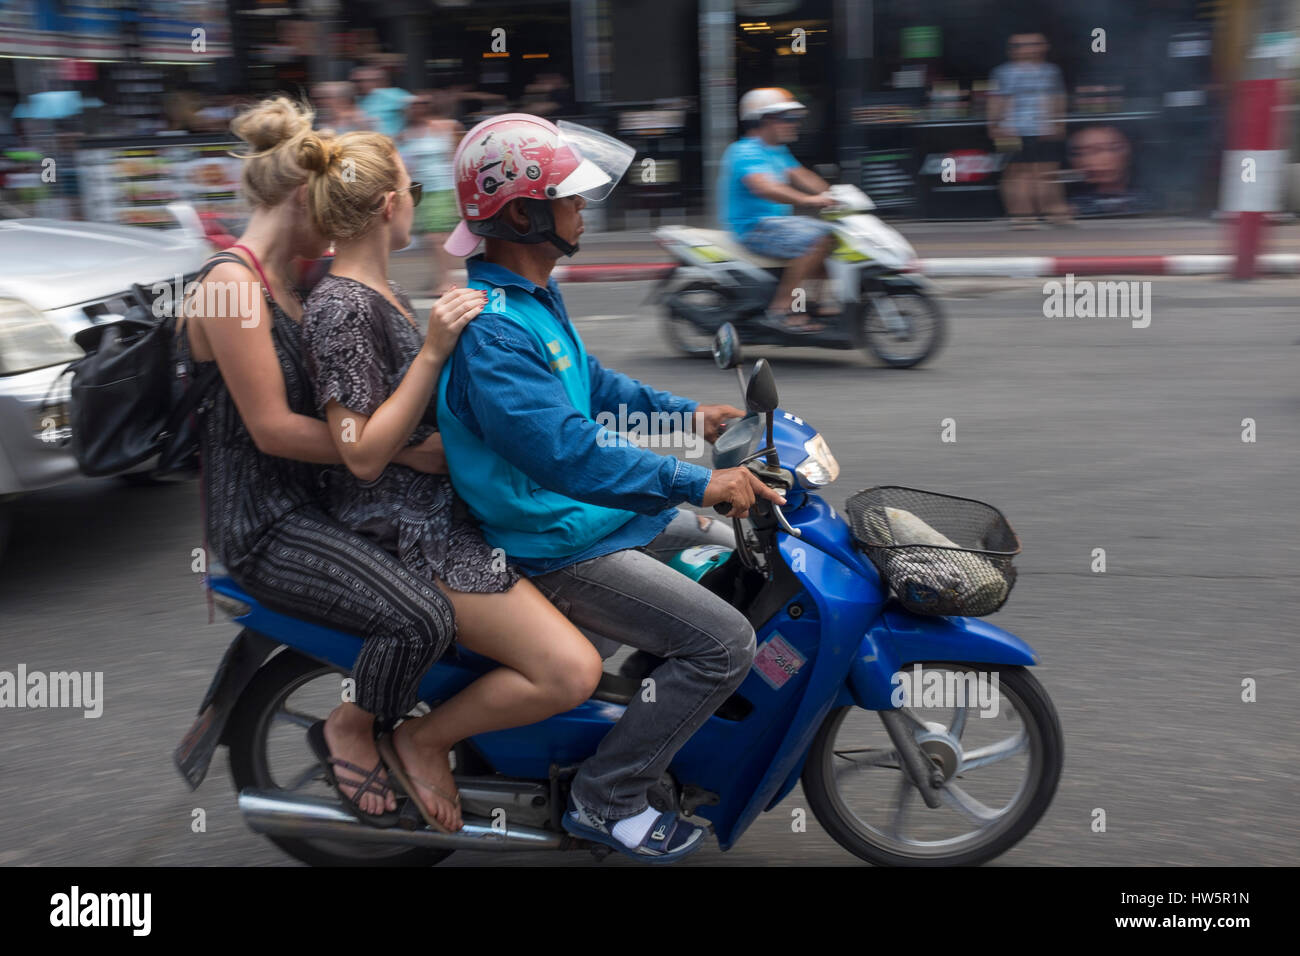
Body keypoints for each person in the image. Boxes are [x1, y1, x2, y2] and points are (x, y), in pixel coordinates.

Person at [436, 113, 781, 862]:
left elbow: (592, 387)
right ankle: (607, 796)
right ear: (525, 213)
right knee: (726, 645)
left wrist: (688, 415)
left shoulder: (532, 302)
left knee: (735, 554)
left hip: (589, 519)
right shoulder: (495, 333)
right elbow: (567, 453)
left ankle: (654, 723)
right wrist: (697, 481)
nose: (583, 209)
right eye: (569, 198)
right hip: (555, 546)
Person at [299, 128, 602, 834]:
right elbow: (361, 453)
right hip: (408, 528)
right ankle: (418, 738)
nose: (422, 207)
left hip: (445, 501)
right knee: (569, 671)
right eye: (416, 193)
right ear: (385, 207)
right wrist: (434, 352)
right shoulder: (341, 306)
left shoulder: (383, 289)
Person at [176, 97, 460, 829]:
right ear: (304, 195)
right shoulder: (233, 286)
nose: (337, 221)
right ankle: (353, 726)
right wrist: (404, 450)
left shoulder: (295, 284)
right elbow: (272, 430)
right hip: (266, 523)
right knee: (420, 616)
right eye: (327, 206)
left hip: (319, 500)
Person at [719, 87, 839, 333]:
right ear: (766, 120)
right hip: (755, 227)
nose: (795, 124)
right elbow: (764, 187)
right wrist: (809, 200)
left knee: (834, 236)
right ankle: (781, 309)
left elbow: (801, 175)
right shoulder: (744, 151)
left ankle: (811, 302)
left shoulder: (777, 151)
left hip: (776, 224)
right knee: (816, 240)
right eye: (789, 118)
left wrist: (836, 194)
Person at [987, 33, 1073, 228]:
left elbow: (1057, 99)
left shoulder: (1051, 71)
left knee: (1047, 172)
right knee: (1016, 173)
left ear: (1044, 47)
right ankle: (1022, 216)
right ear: (1011, 50)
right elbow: (997, 99)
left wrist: (1058, 123)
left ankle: (1054, 213)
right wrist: (994, 125)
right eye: (1020, 46)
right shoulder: (1003, 72)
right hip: (1010, 130)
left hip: (1044, 128)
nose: (1028, 49)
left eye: (1034, 44)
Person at [397, 92, 463, 294]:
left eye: (422, 103)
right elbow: (405, 164)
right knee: (430, 239)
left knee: (437, 237)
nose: (417, 108)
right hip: (422, 191)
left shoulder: (448, 127)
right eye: (413, 105)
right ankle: (441, 277)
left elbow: (459, 156)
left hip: (443, 189)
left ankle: (446, 281)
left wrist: (460, 189)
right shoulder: (407, 134)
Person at [353, 64, 413, 139]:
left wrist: (405, 133)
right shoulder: (356, 99)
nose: (363, 84)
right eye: (358, 81)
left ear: (380, 80)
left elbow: (417, 108)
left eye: (369, 80)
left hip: (393, 143)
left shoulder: (394, 94)